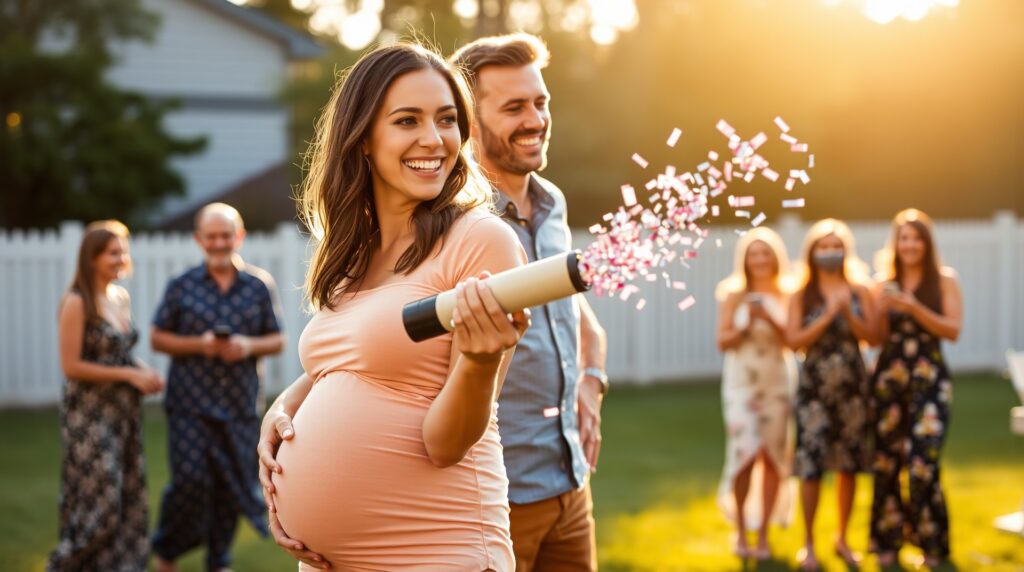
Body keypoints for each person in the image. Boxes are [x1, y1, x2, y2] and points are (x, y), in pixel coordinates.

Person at [258, 43, 529, 570]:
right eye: (408, 120)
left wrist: (479, 359)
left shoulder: (480, 240)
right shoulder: (352, 252)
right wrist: (285, 406)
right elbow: (350, 362)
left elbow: (448, 444)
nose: (434, 140)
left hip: (437, 548)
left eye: (447, 120)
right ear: (362, 138)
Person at [451, 33, 609, 571]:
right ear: (469, 121)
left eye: (541, 102)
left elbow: (575, 315)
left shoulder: (553, 202)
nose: (536, 119)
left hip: (571, 483)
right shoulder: (453, 225)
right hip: (497, 495)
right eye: (514, 107)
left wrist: (592, 379)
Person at [150, 203, 285, 572]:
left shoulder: (259, 285)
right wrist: (199, 344)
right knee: (190, 483)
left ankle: (218, 561)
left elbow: (277, 340)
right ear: (199, 240)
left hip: (239, 404)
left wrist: (247, 345)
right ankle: (168, 551)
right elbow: (158, 337)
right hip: (189, 403)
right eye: (212, 236)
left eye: (226, 235)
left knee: (231, 487)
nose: (219, 242)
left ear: (239, 237)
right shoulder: (182, 286)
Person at [49, 220, 164, 571]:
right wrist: (129, 374)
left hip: (123, 413)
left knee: (129, 497)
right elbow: (72, 366)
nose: (121, 258)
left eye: (123, 251)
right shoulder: (77, 301)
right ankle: (64, 564)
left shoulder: (119, 297)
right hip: (88, 416)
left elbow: (119, 354)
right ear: (92, 257)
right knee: (101, 502)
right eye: (113, 252)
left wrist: (142, 371)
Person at [869, 209, 962, 567]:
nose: (910, 245)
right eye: (903, 238)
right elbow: (876, 338)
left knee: (923, 465)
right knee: (887, 463)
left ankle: (932, 545)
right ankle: (887, 543)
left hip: (930, 381)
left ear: (926, 243)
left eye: (916, 238)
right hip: (889, 381)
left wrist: (913, 307)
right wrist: (879, 311)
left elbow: (952, 330)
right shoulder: (883, 282)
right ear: (896, 244)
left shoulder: (944, 281)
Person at [785, 218, 876, 571]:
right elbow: (793, 341)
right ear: (812, 252)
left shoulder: (860, 290)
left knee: (848, 465)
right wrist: (826, 316)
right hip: (815, 391)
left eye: (836, 245)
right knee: (811, 466)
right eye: (823, 246)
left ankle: (842, 537)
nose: (830, 252)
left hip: (852, 389)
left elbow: (875, 335)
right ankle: (808, 543)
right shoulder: (802, 293)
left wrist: (849, 316)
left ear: (845, 250)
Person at [715, 227, 797, 561]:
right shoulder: (732, 294)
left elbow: (794, 342)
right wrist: (748, 324)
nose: (760, 259)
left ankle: (763, 532)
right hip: (741, 385)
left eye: (765, 253)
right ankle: (741, 532)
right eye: (754, 254)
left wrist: (773, 322)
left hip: (776, 383)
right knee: (743, 455)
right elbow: (723, 342)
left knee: (773, 457)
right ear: (745, 260)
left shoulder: (789, 293)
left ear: (775, 258)